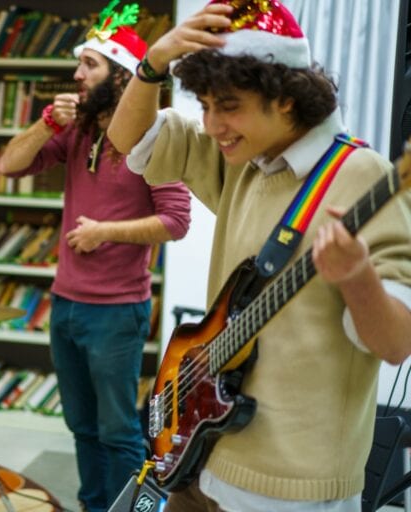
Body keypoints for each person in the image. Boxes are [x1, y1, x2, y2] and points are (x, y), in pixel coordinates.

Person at [107, 1, 411, 510]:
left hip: (290, 492)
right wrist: (153, 61)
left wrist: (357, 277)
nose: (212, 125)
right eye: (203, 105)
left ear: (286, 98)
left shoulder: (366, 177)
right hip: (199, 458)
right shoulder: (244, 160)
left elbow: (398, 343)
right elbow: (127, 139)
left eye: (228, 106)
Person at [0, 3, 192, 510]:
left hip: (115, 311)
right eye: (79, 63)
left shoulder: (154, 136)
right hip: (65, 303)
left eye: (90, 64)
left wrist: (106, 230)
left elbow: (177, 220)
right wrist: (45, 123)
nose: (77, 74)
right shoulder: (78, 128)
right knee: (80, 427)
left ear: (121, 76)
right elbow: (8, 165)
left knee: (119, 432)